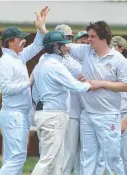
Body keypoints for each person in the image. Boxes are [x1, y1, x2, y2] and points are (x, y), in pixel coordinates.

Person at [66, 20, 127, 175]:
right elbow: (62, 45)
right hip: (87, 114)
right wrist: (42, 29)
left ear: (103, 38)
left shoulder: (119, 59)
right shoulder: (86, 51)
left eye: (92, 37)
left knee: (112, 158)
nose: (89, 40)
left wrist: (101, 83)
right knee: (87, 158)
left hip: (108, 116)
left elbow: (125, 85)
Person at [0, 6, 50, 175]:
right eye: (20, 39)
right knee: (18, 157)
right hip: (13, 114)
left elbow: (37, 45)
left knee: (13, 158)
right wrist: (29, 82)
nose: (23, 41)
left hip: (19, 114)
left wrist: (40, 26)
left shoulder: (18, 56)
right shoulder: (5, 62)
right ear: (11, 41)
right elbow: (5, 89)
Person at [31, 30, 92, 175]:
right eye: (64, 45)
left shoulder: (42, 63)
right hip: (53, 116)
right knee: (49, 160)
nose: (67, 48)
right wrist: (89, 84)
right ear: (56, 46)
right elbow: (76, 86)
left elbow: (35, 94)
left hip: (45, 113)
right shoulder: (56, 66)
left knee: (57, 162)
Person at [55, 24, 83, 175]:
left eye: (69, 38)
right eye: (65, 39)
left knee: (79, 157)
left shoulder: (73, 59)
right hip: (68, 113)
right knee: (67, 156)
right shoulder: (60, 61)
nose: (68, 42)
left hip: (81, 114)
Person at [111, 36, 127, 175]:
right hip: (112, 115)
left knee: (124, 156)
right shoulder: (112, 66)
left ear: (121, 48)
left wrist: (125, 122)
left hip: (124, 116)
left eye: (114, 47)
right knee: (113, 157)